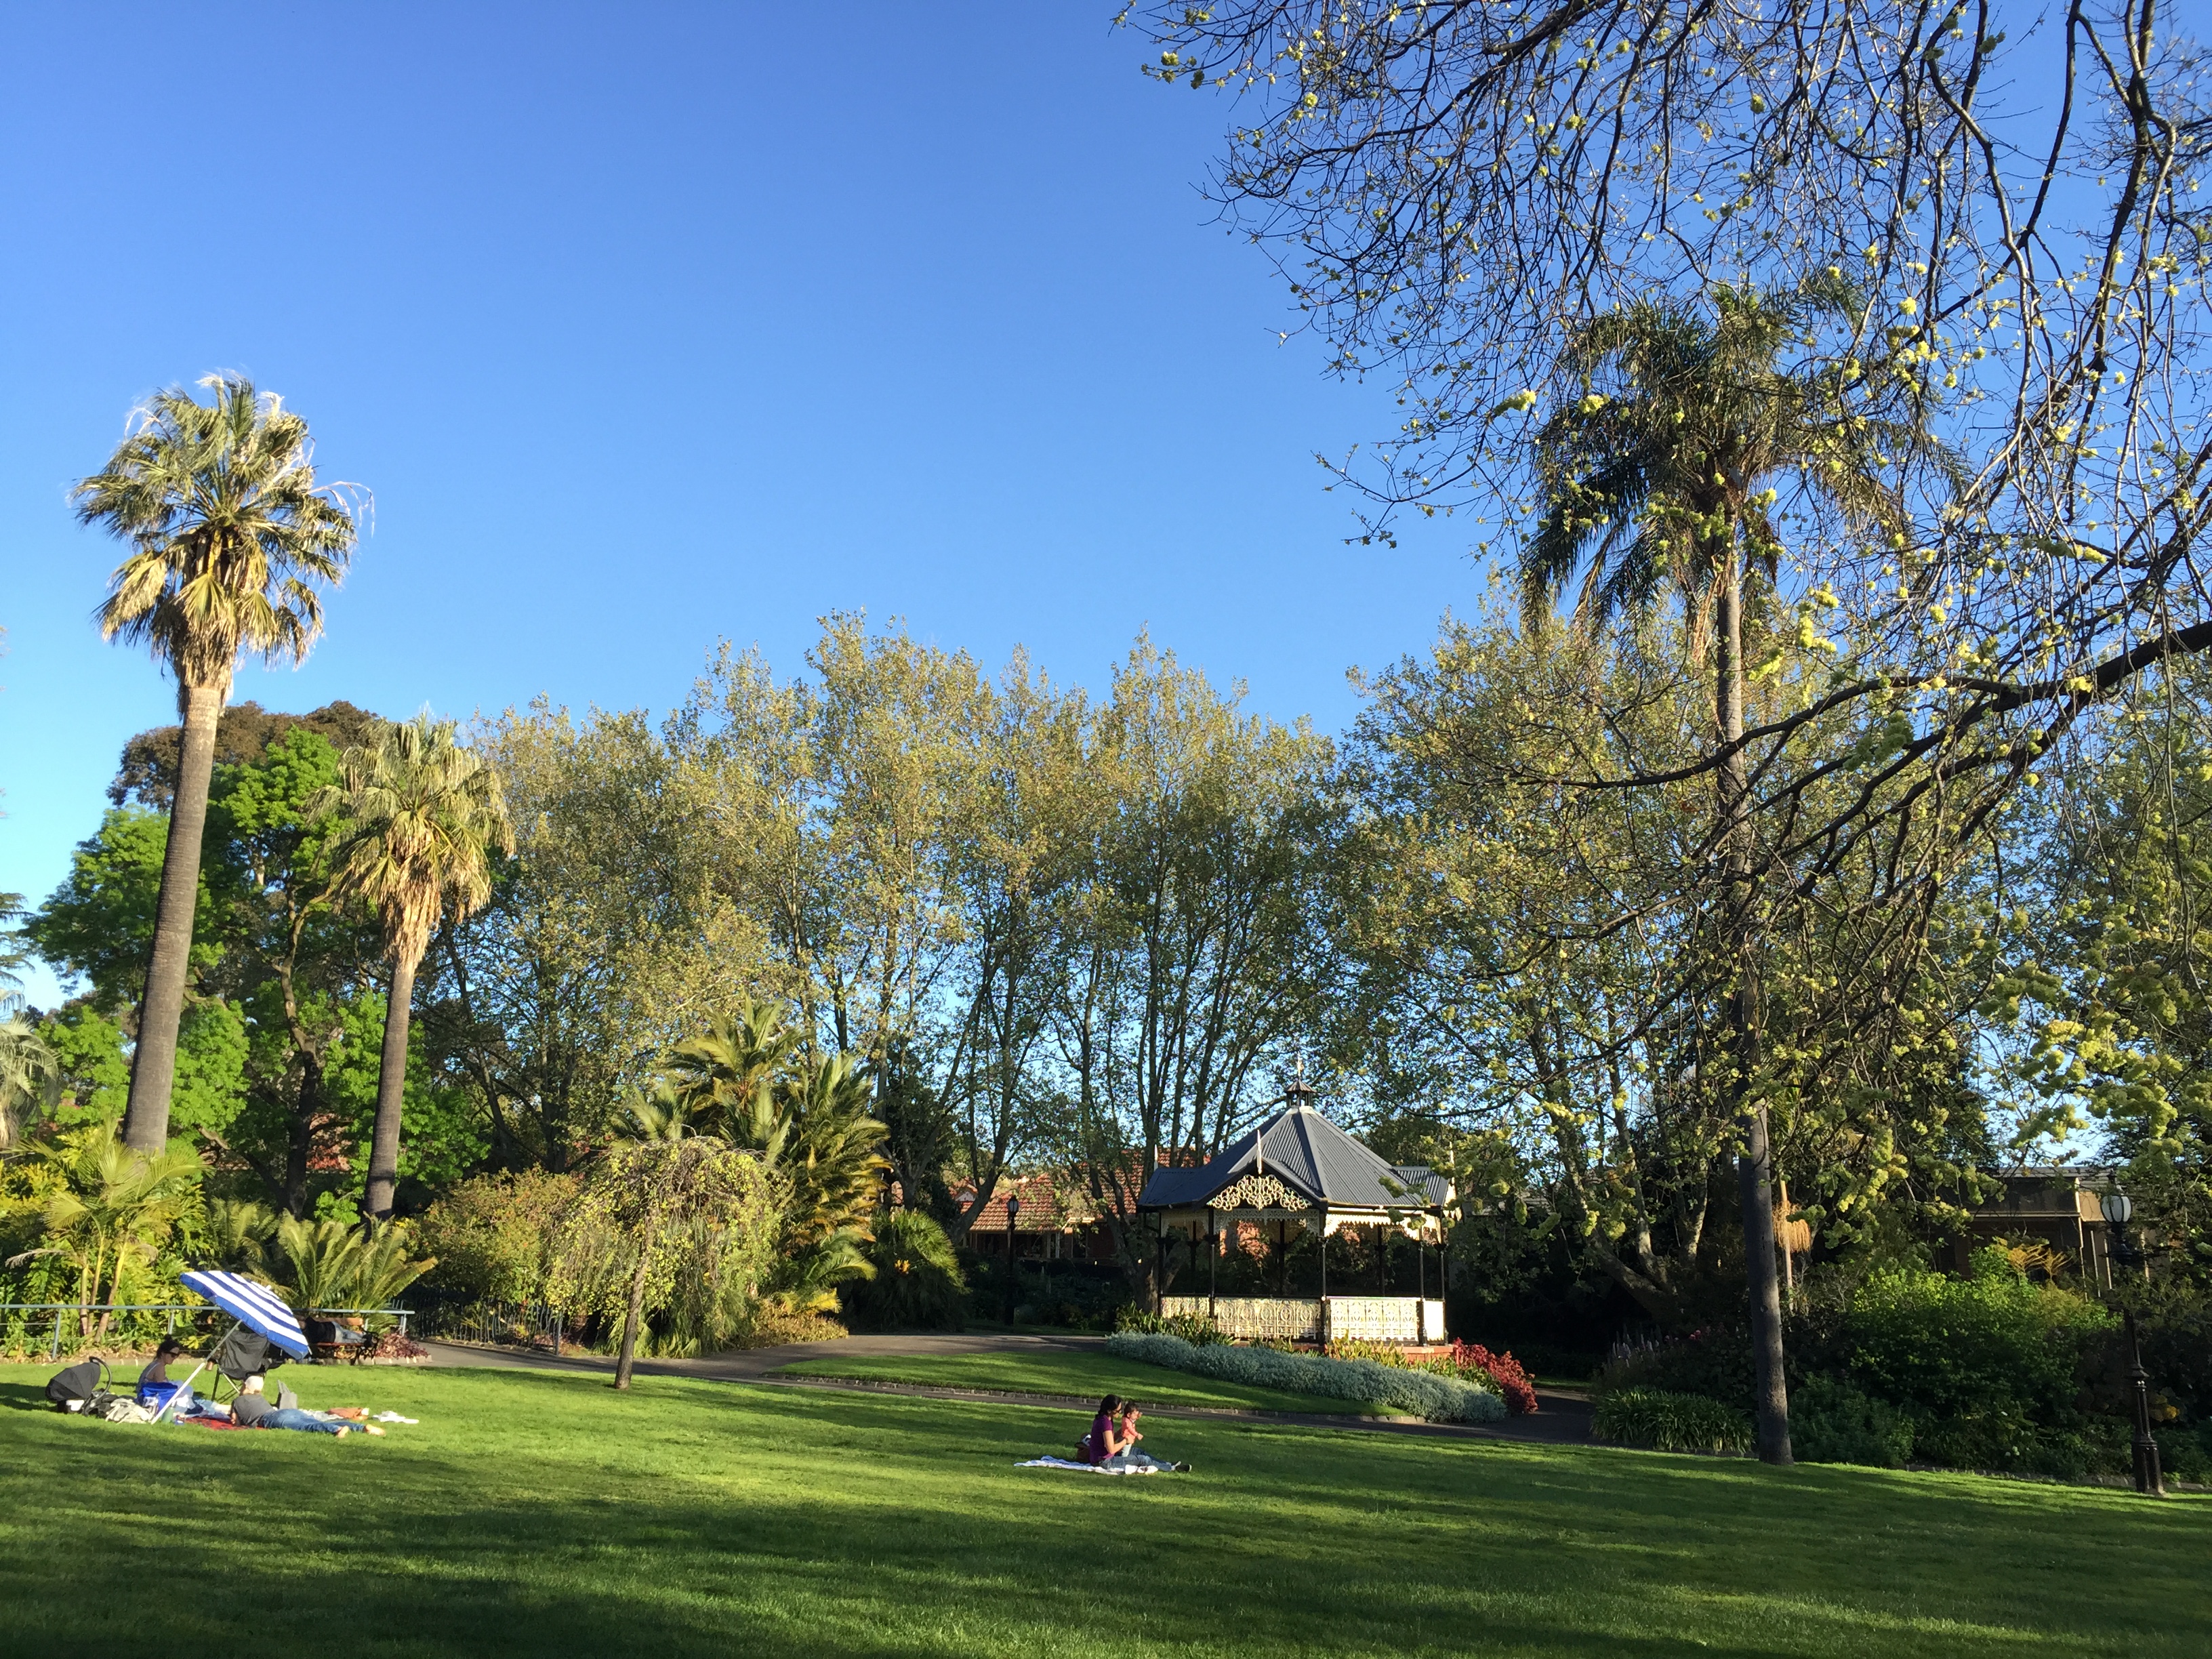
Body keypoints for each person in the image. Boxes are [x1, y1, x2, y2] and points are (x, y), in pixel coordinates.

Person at [224, 1374, 380, 1436]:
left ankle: (336, 1430)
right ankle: (362, 1428)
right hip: (287, 1411)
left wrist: (235, 1418)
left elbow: (235, 1422)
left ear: (245, 1386)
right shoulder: (260, 1398)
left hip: (273, 1419)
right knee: (314, 1422)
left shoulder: (237, 1401)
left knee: (307, 1427)